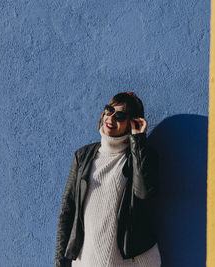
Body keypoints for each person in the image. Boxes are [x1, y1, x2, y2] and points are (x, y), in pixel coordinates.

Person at [54, 92, 161, 267]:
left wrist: (138, 141)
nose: (111, 117)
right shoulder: (83, 156)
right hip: (87, 260)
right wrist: (60, 263)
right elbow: (67, 211)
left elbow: (144, 192)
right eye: (109, 110)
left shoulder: (141, 157)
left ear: (132, 122)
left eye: (120, 115)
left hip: (132, 262)